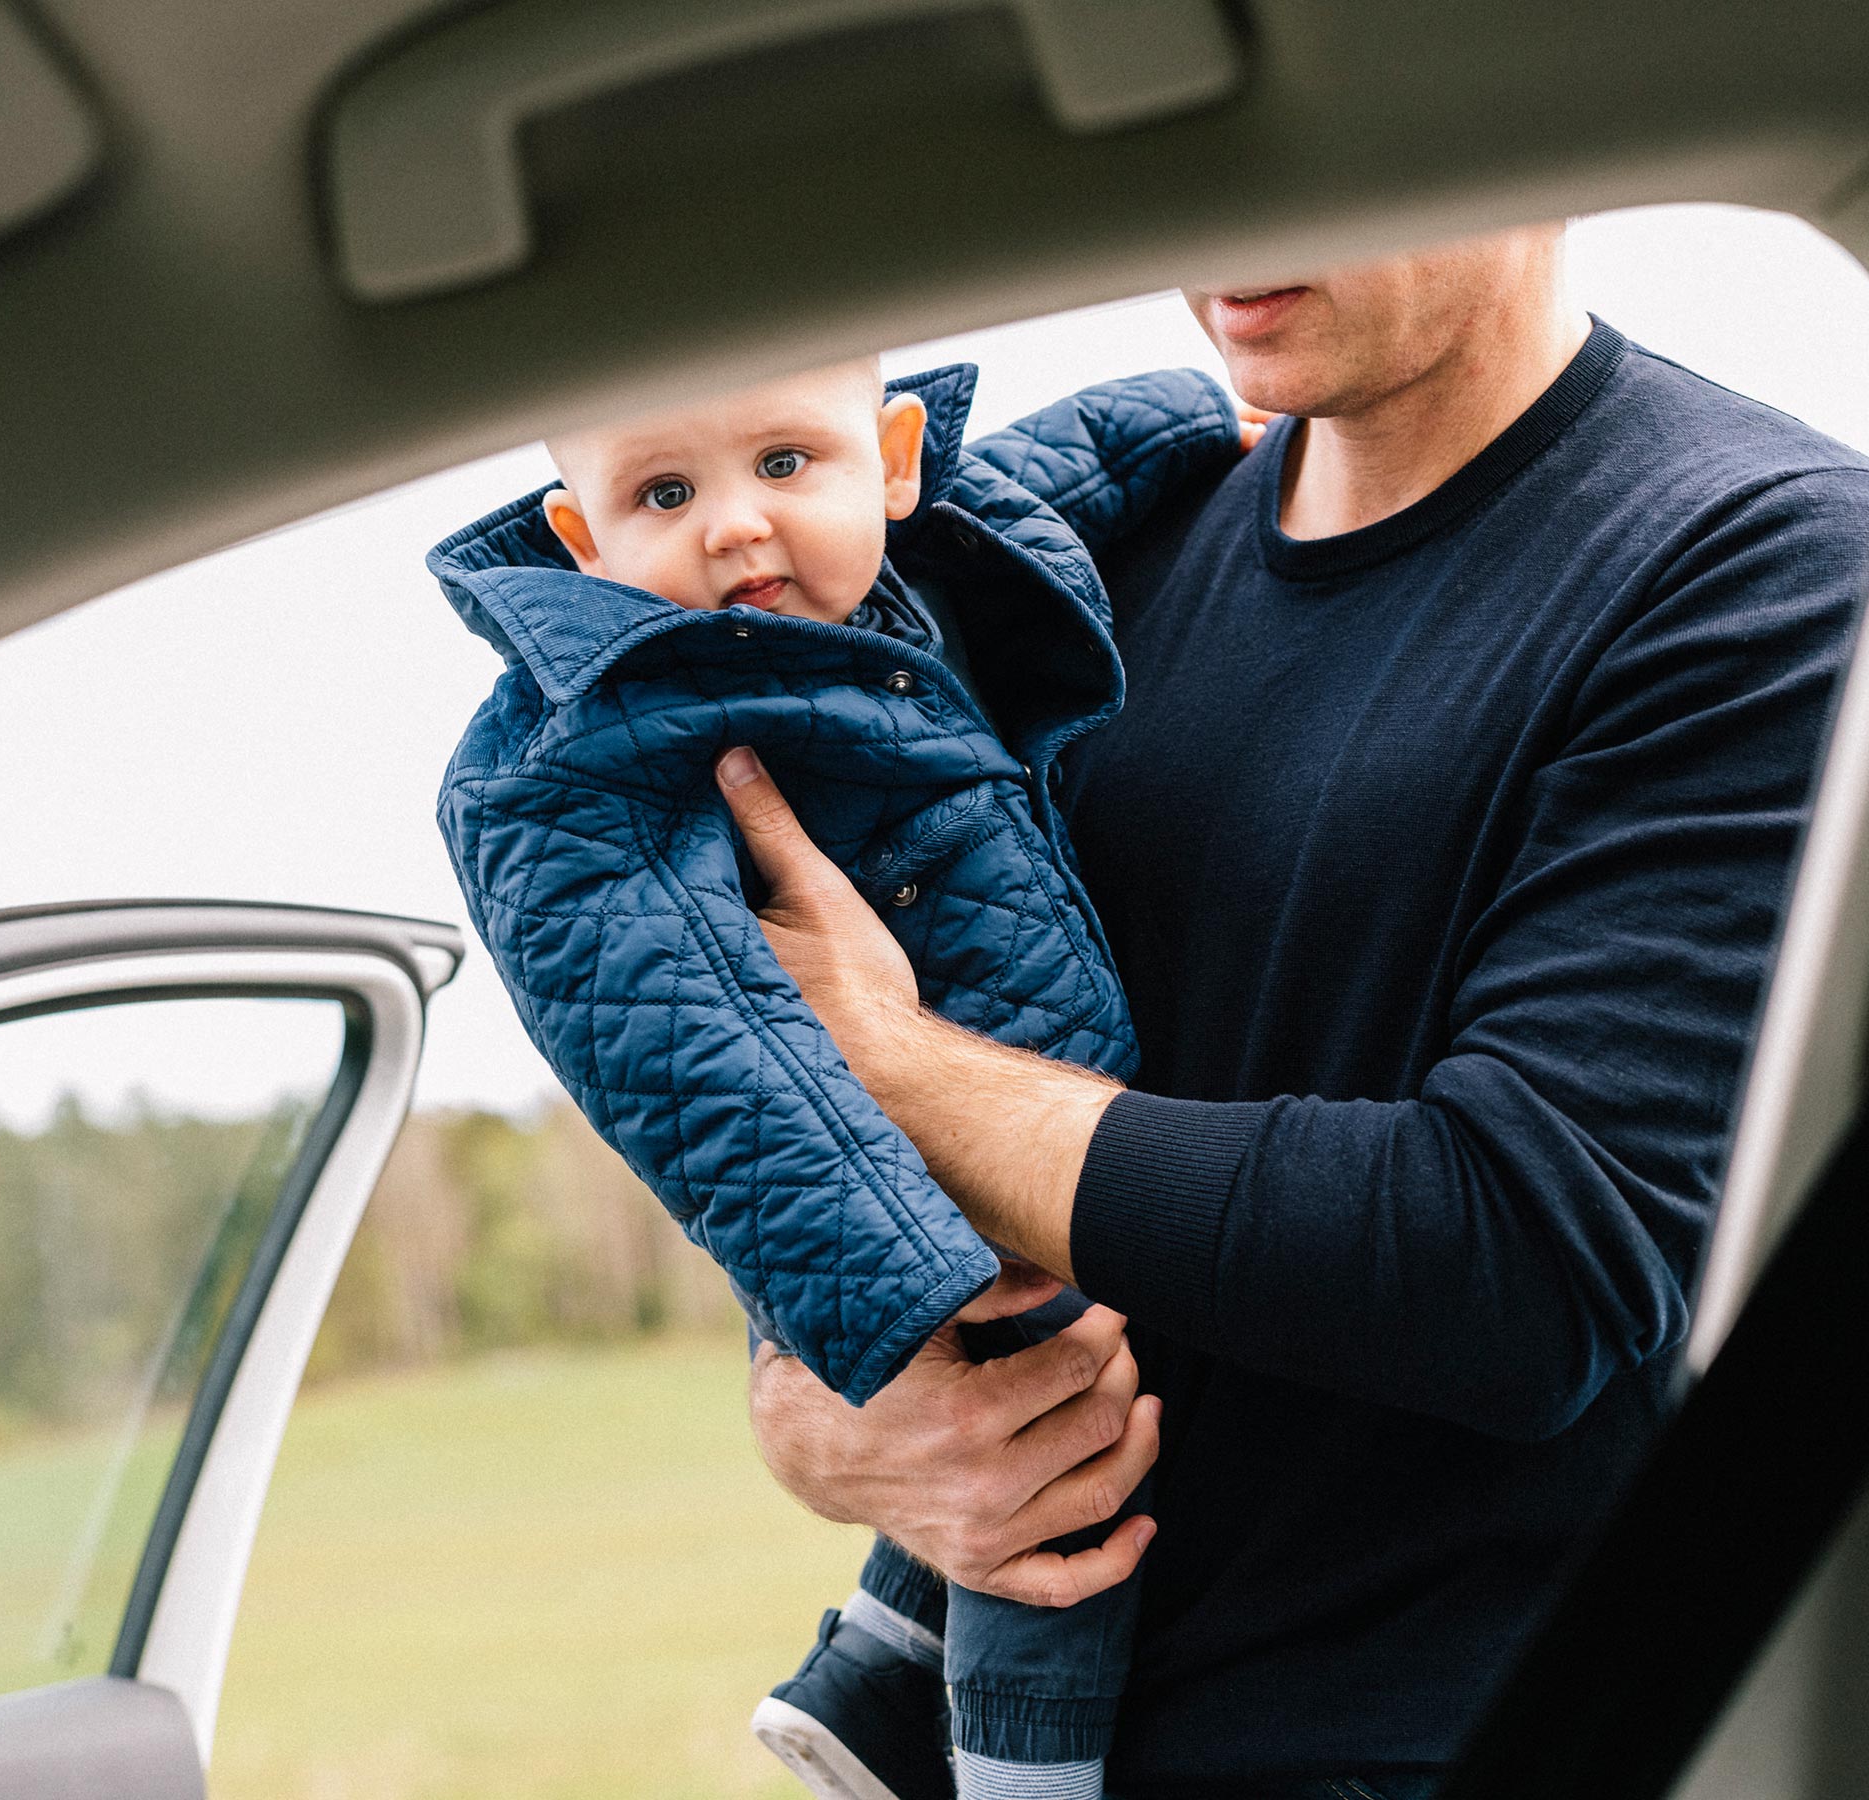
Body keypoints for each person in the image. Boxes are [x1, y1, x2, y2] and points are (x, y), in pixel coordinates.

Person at [726, 225, 1869, 1797]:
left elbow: (1520, 1261)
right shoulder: (1103, 553)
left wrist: (883, 1069)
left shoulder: (1761, 564)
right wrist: (814, 1413)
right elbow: (895, 1018)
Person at [428, 356, 1258, 1800]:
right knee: (1056, 1465)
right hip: (888, 1183)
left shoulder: (924, 559)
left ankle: (872, 1672)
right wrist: (910, 1285)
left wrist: (1194, 418)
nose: (737, 524)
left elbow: (1063, 466)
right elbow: (671, 1039)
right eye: (664, 493)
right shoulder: (584, 746)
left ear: (892, 461)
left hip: (1023, 1102)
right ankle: (1022, 1773)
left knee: (1069, 1418)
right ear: (582, 539)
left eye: (783, 464)